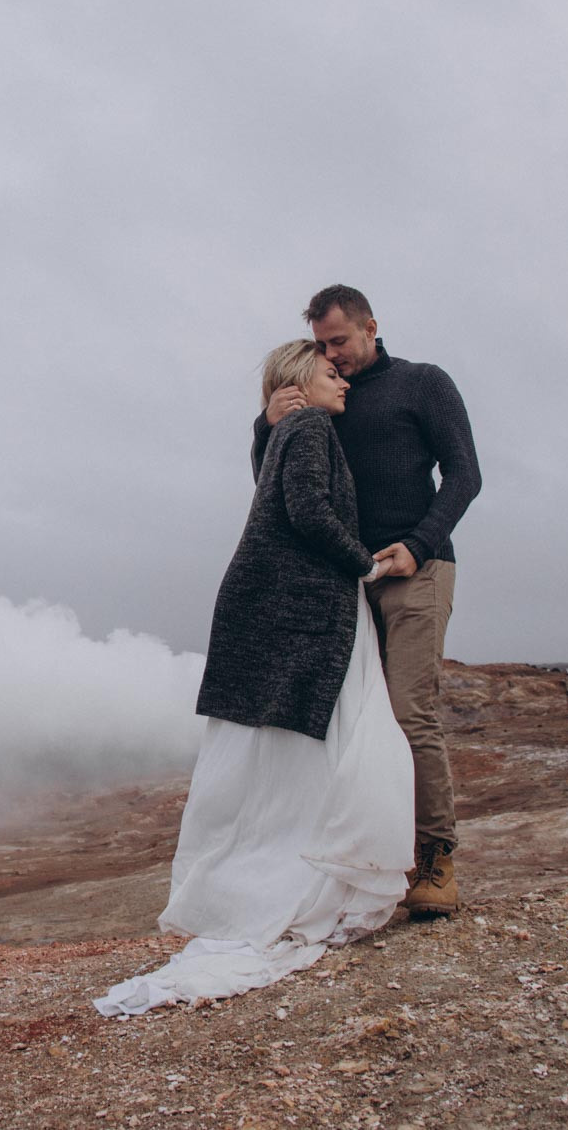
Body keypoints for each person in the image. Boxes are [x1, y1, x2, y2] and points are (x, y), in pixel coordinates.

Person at [95, 341, 414, 1016]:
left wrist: (265, 425)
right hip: (304, 606)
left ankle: (266, 881)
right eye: (331, 373)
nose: (344, 384)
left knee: (287, 752)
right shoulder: (310, 426)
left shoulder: (291, 429)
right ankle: (304, 885)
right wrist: (366, 564)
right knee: (343, 741)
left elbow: (276, 493)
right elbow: (306, 508)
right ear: (299, 380)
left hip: (279, 603)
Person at [255, 285, 481, 917]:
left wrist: (419, 543)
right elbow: (275, 482)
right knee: (358, 724)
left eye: (339, 342)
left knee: (409, 712)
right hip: (344, 579)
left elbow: (465, 474)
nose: (332, 355)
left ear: (371, 327)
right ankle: (380, 861)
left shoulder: (422, 383)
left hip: (417, 568)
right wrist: (266, 425)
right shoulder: (321, 393)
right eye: (322, 345)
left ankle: (436, 859)